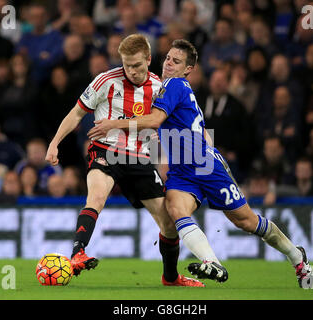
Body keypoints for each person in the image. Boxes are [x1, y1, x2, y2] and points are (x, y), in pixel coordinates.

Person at [88, 39, 313, 289]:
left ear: (188, 69)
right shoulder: (169, 89)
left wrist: (113, 124)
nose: (169, 64)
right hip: (182, 171)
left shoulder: (175, 85)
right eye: (167, 58)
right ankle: (212, 262)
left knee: (246, 221)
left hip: (205, 166)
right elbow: (198, 128)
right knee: (175, 210)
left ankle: (297, 257)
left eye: (176, 61)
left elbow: (154, 120)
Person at [45, 34, 204, 287]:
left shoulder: (160, 87)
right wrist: (54, 143)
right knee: (96, 196)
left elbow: (164, 125)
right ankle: (77, 254)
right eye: (126, 65)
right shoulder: (105, 81)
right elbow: (76, 114)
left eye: (137, 65)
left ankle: (170, 277)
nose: (131, 71)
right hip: (106, 151)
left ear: (149, 59)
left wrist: (170, 157)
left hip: (140, 159)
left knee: (168, 224)